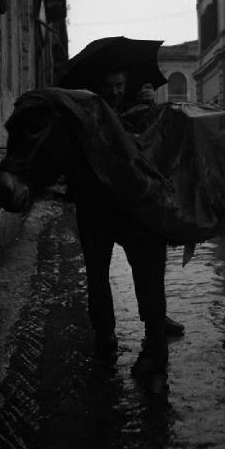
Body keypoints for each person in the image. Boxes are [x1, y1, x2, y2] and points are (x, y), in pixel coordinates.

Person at [72, 69, 183, 357]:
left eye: (119, 85)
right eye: (109, 85)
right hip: (93, 205)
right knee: (97, 272)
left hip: (128, 207)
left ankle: (155, 321)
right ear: (100, 87)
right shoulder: (87, 112)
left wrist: (150, 106)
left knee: (145, 268)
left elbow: (153, 140)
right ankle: (104, 331)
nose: (114, 91)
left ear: (126, 86)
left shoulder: (137, 109)